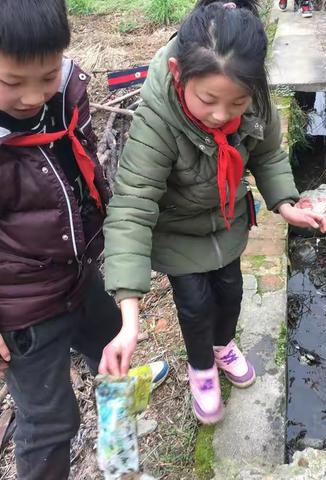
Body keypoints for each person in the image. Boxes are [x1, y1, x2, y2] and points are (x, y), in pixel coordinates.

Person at [103, 0, 326, 425]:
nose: (222, 115)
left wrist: (286, 204)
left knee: (230, 293)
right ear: (178, 75)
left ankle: (223, 345)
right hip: (177, 231)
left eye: (237, 103)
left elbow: (267, 156)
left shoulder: (255, 97)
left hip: (227, 223)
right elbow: (132, 206)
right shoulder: (158, 120)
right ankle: (201, 369)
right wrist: (129, 314)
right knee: (194, 304)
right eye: (208, 100)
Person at [0, 1, 159, 478]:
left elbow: (85, 170)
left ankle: (117, 411)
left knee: (111, 341)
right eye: (11, 82)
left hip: (77, 273)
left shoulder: (69, 93)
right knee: (50, 421)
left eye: (46, 76)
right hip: (21, 304)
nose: (33, 97)